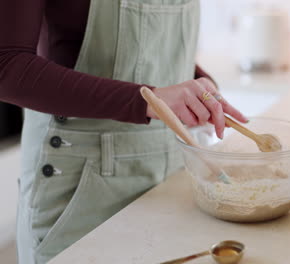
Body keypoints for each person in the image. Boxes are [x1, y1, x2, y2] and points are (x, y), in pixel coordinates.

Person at [0, 0, 248, 263]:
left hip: (168, 173)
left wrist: (195, 82)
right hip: (80, 185)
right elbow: (6, 65)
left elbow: (149, 37)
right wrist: (148, 99)